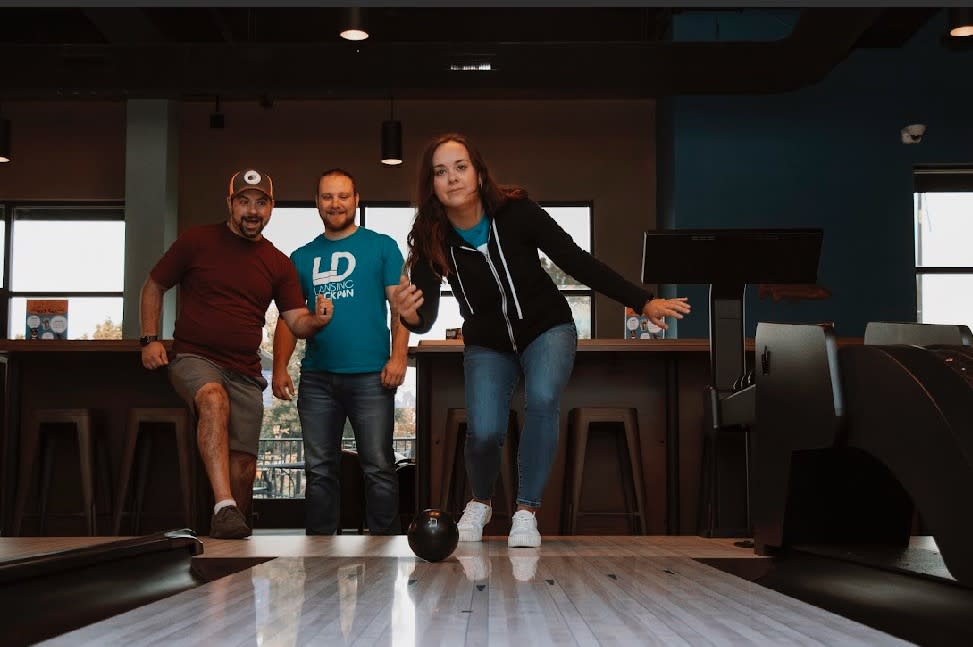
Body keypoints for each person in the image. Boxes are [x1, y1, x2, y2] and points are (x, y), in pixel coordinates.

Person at [394, 133, 691, 548]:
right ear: (432, 185)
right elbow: (423, 317)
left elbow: (577, 261)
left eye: (461, 167)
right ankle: (479, 503)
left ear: (478, 173)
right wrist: (409, 313)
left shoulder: (517, 212)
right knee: (483, 430)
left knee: (544, 399)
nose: (453, 178)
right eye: (440, 172)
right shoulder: (431, 237)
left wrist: (643, 302)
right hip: (487, 344)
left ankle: (525, 512)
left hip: (547, 328)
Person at [140, 168, 332, 539]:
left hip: (245, 371)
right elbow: (154, 284)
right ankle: (224, 507)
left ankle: (230, 523)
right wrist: (149, 339)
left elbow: (296, 321)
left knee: (243, 466)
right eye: (244, 201)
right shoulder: (197, 241)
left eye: (261, 203)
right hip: (196, 358)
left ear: (271, 208)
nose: (252, 210)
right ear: (230, 203)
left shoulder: (277, 262)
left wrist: (318, 320)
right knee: (213, 399)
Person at [272, 169, 407, 536]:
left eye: (343, 196)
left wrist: (398, 358)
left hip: (372, 376)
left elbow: (402, 308)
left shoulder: (381, 246)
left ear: (356, 199)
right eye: (328, 197)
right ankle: (319, 553)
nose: (336, 203)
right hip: (317, 379)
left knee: (378, 465)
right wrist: (280, 367)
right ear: (317, 203)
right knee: (319, 469)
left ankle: (384, 547)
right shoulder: (300, 257)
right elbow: (288, 319)